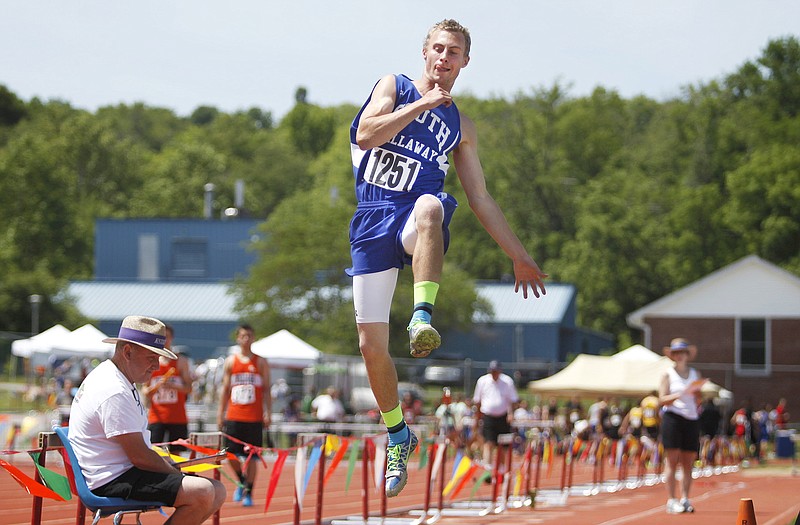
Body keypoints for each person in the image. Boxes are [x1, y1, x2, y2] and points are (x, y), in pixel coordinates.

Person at [346, 18, 547, 497]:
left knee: (434, 205)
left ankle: (422, 316)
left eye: (453, 52)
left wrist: (519, 255)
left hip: (415, 219)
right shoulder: (393, 85)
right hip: (373, 216)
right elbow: (366, 135)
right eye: (437, 49)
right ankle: (398, 433)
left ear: (465, 61)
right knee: (370, 346)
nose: (444, 58)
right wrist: (421, 105)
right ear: (424, 52)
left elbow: (480, 197)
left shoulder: (461, 126)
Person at [68, 315, 225, 524]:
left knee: (218, 490)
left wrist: (169, 465)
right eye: (152, 357)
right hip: (111, 478)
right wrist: (173, 469)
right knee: (203, 491)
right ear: (127, 351)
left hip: (123, 471)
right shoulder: (113, 389)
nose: (156, 365)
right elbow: (139, 457)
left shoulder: (119, 378)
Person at [216, 324, 271, 507]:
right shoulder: (231, 361)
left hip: (254, 418)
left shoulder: (260, 362)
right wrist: (220, 414)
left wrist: (268, 412)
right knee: (230, 454)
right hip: (234, 416)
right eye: (242, 336)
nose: (246, 339)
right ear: (238, 339)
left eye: (249, 335)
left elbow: (266, 390)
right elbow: (224, 389)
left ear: (253, 338)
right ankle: (241, 480)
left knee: (253, 457)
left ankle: (249, 491)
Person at [659, 338, 707, 514]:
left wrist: (697, 394)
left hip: (692, 418)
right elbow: (662, 399)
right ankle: (671, 499)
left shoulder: (695, 373)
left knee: (688, 461)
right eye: (677, 353)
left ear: (687, 355)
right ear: (673, 355)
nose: (680, 356)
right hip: (673, 417)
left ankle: (685, 497)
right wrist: (680, 394)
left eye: (683, 352)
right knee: (672, 460)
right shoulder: (668, 374)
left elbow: (698, 399)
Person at [142, 325, 193, 454]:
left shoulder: (181, 361)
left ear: (172, 338)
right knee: (155, 452)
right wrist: (157, 386)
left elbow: (189, 388)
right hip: (156, 416)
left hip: (177, 416)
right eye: (161, 338)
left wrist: (173, 386)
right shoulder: (150, 361)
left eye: (167, 337)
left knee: (176, 454)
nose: (164, 341)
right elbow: (145, 390)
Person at [472, 360, 519, 466]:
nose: (494, 374)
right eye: (492, 371)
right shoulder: (482, 381)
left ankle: (501, 468)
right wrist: (477, 418)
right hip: (488, 416)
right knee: (488, 443)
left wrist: (511, 414)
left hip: (503, 416)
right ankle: (488, 469)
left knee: (502, 445)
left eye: (496, 371)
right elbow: (477, 401)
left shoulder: (507, 381)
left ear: (500, 371)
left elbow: (513, 400)